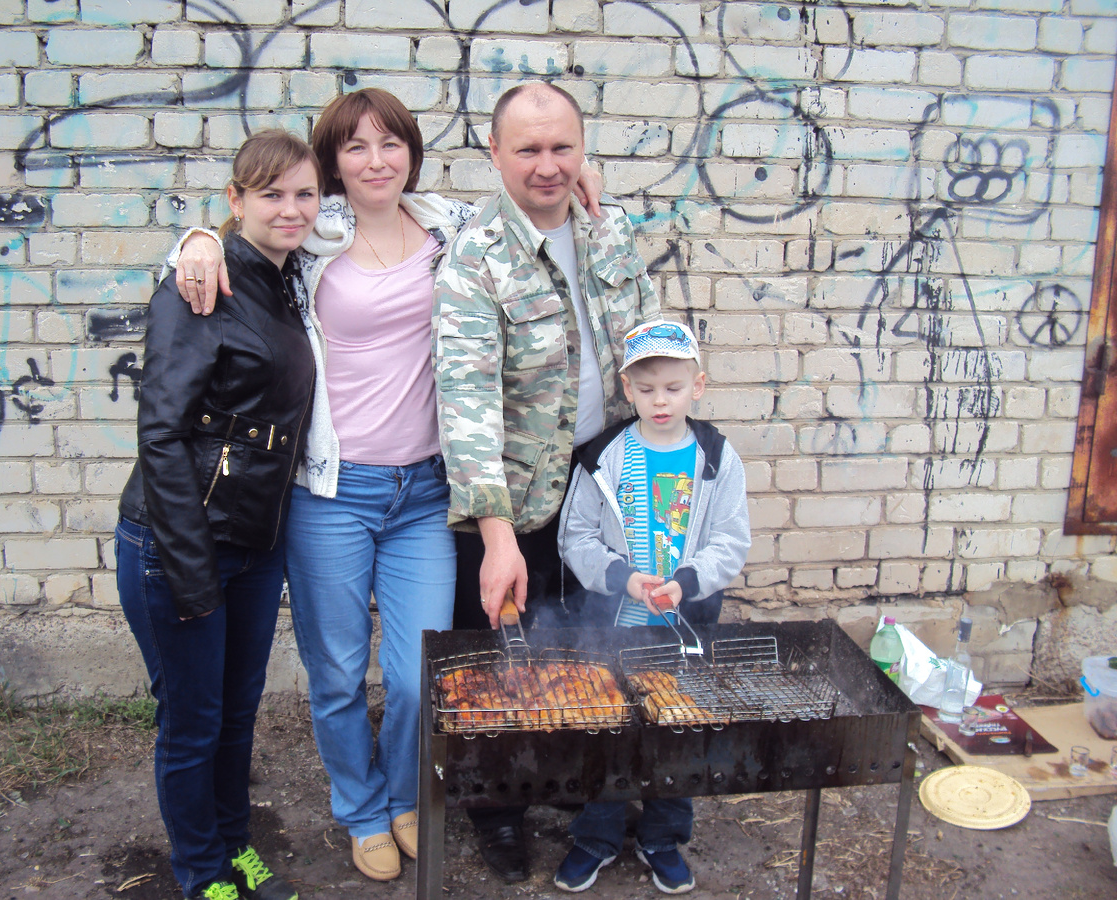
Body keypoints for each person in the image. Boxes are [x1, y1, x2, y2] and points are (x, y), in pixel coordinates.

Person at [168, 88, 605, 883]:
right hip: (332, 493)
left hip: (426, 495)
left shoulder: (450, 227)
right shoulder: (314, 235)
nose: (377, 161)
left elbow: (528, 197)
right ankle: (361, 808)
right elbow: (241, 232)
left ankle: (405, 794)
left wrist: (581, 177)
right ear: (332, 162)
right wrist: (197, 237)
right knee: (338, 671)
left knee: (415, 672)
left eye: (392, 144)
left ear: (412, 151)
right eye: (357, 148)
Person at [433, 81, 661, 883]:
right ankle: (496, 807)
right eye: (527, 149)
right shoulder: (475, 256)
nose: (547, 165)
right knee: (502, 656)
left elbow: (647, 340)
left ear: (583, 149)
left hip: (600, 485)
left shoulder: (609, 227)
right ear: (494, 154)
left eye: (562, 146)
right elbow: (464, 403)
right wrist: (496, 536)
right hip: (518, 496)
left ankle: (565, 778)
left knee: (584, 643)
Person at [116, 129, 320, 900]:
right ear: (235, 201)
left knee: (237, 715)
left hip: (254, 542)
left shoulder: (286, 272)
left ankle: (236, 849)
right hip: (178, 541)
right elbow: (161, 431)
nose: (291, 210)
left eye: (305, 194)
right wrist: (188, 563)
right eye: (271, 195)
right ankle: (203, 874)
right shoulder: (199, 286)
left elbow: (403, 206)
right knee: (193, 722)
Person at [552, 319, 751, 894]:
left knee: (678, 730)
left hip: (686, 624)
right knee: (608, 730)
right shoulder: (604, 456)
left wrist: (686, 582)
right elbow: (576, 538)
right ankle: (596, 836)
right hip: (612, 623)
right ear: (626, 389)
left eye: (673, 387)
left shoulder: (716, 457)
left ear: (698, 386)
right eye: (645, 389)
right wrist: (624, 578)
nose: (659, 400)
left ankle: (663, 836)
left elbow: (731, 541)